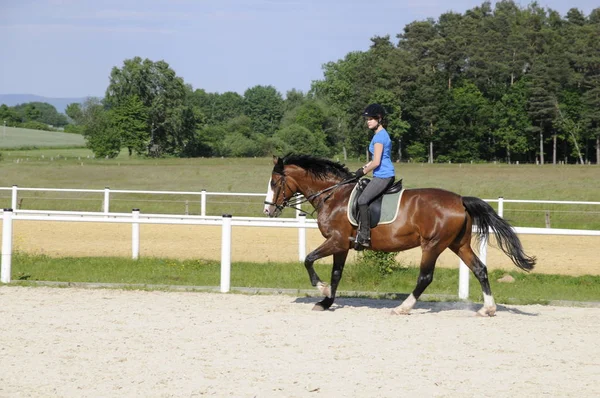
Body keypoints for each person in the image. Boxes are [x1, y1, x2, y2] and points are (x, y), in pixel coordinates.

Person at [354, 103, 395, 247]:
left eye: (370, 119)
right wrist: (361, 169)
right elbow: (374, 160)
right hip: (382, 173)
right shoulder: (381, 134)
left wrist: (363, 172)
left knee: (362, 200)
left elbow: (376, 162)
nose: (368, 122)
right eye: (367, 119)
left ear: (379, 119)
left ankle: (364, 236)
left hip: (383, 175)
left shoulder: (379, 138)